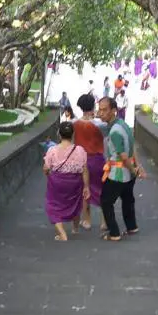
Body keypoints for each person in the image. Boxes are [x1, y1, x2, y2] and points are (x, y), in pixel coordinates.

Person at [97, 97, 146, 242]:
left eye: (104, 110)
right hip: (128, 175)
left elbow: (124, 156)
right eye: (100, 109)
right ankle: (132, 227)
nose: (101, 113)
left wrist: (133, 169)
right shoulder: (123, 124)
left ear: (113, 111)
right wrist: (137, 167)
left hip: (118, 174)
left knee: (106, 201)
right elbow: (132, 147)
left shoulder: (115, 131)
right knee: (127, 199)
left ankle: (114, 233)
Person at [43, 121, 90, 241]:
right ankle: (75, 229)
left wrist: (48, 175)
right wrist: (86, 187)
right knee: (75, 203)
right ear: (73, 134)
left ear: (59, 134)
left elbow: (46, 168)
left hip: (57, 182)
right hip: (75, 182)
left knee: (53, 205)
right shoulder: (80, 150)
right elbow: (84, 170)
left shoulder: (52, 150)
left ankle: (62, 233)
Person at [73, 93, 108, 232]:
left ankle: (86, 220)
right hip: (98, 159)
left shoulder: (74, 124)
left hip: (81, 160)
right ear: (93, 106)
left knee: (84, 189)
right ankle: (104, 221)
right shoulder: (100, 125)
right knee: (102, 191)